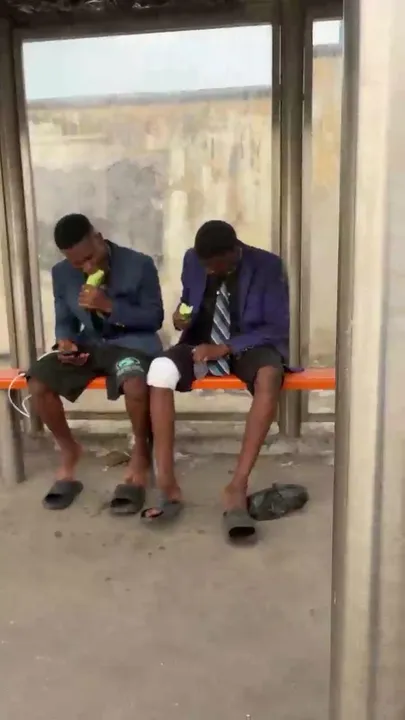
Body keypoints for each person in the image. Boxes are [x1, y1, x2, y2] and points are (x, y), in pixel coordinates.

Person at [145, 220, 290, 541]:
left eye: (215, 265)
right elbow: (188, 303)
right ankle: (167, 485)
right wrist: (180, 317)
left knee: (270, 375)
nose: (209, 271)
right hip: (201, 343)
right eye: (205, 265)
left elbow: (276, 327)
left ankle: (237, 485)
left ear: (234, 252)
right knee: (159, 370)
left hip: (249, 344)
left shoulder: (267, 266)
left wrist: (226, 347)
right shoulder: (192, 260)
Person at [28, 213, 163, 513]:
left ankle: (141, 452)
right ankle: (70, 450)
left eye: (90, 258)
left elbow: (154, 318)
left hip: (132, 344)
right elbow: (64, 320)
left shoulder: (139, 264)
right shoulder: (62, 273)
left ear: (99, 238)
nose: (87, 267)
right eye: (78, 263)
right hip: (90, 345)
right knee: (38, 381)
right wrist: (65, 342)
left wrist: (109, 306)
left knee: (134, 382)